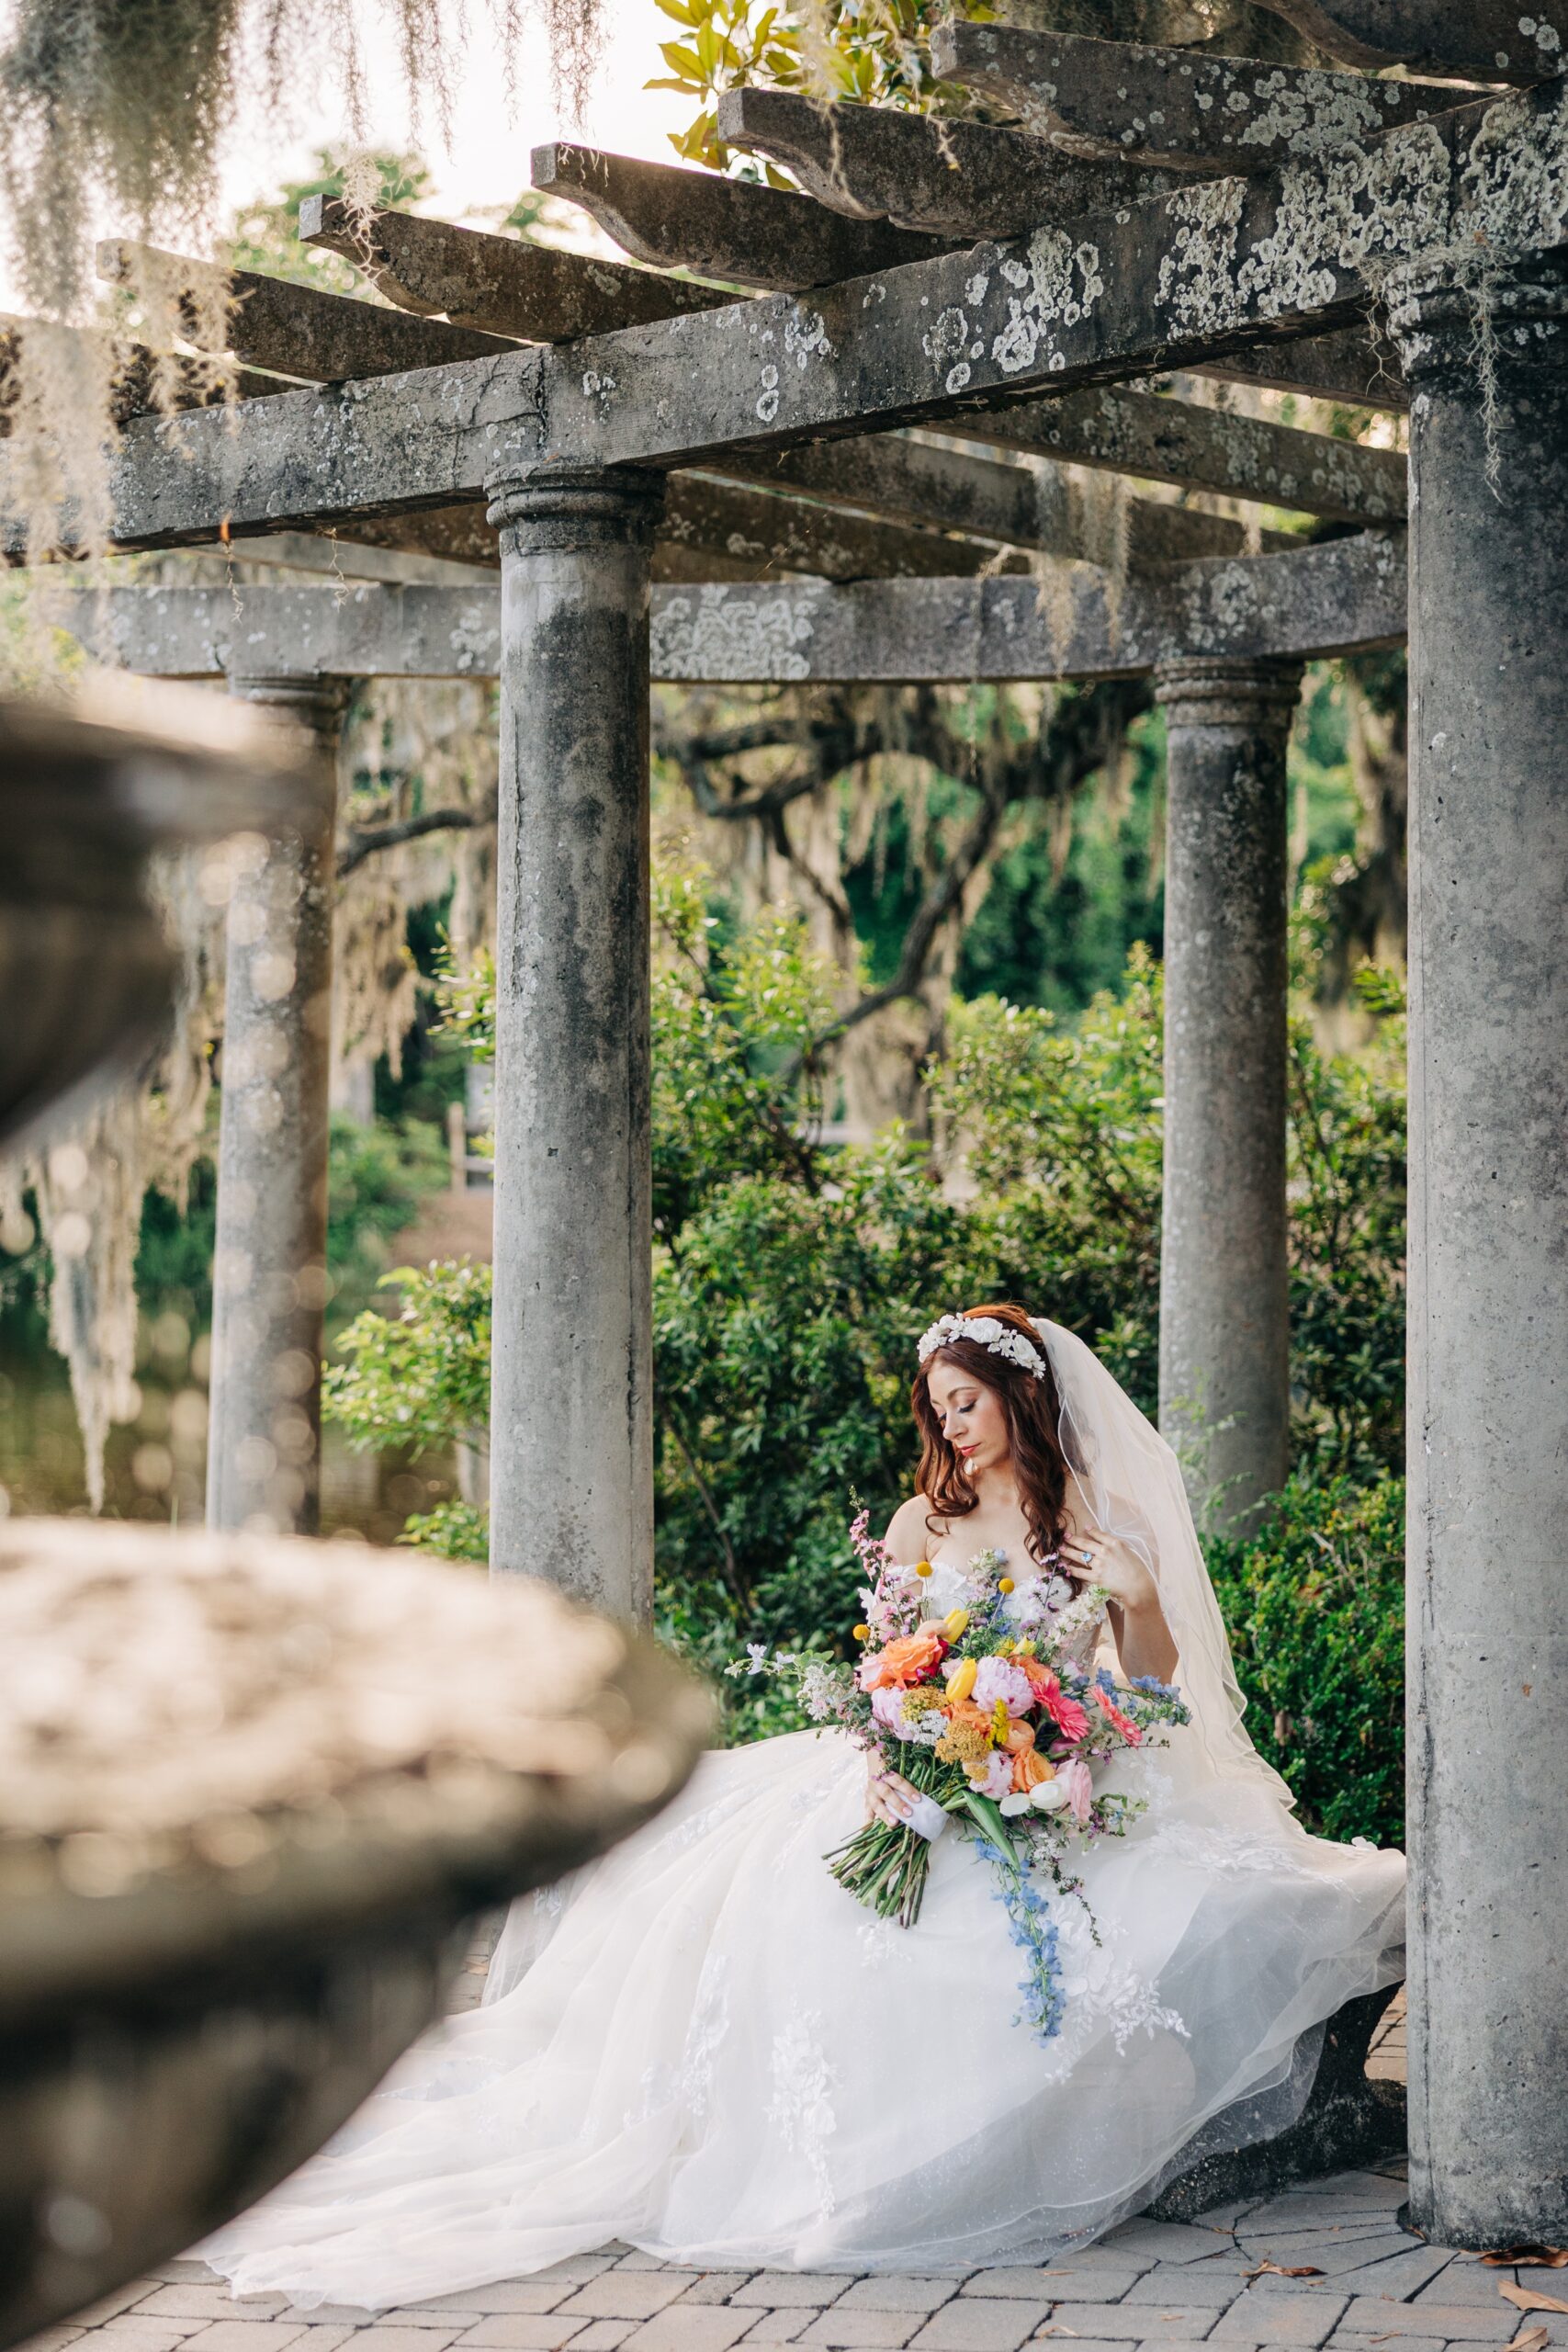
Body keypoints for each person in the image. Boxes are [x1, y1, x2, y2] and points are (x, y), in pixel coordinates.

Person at [205, 1305, 1405, 2308]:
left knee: (1119, 1910)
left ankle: (927, 2153)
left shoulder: (1104, 1530)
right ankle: (835, 2155)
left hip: (1062, 1764)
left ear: (1022, 1403)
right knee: (804, 1902)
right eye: (935, 1407)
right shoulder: (918, 1526)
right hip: (930, 1760)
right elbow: (894, 1667)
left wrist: (1134, 1601)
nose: (947, 1425)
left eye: (966, 1404)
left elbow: (1147, 1690)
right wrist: (907, 1747)